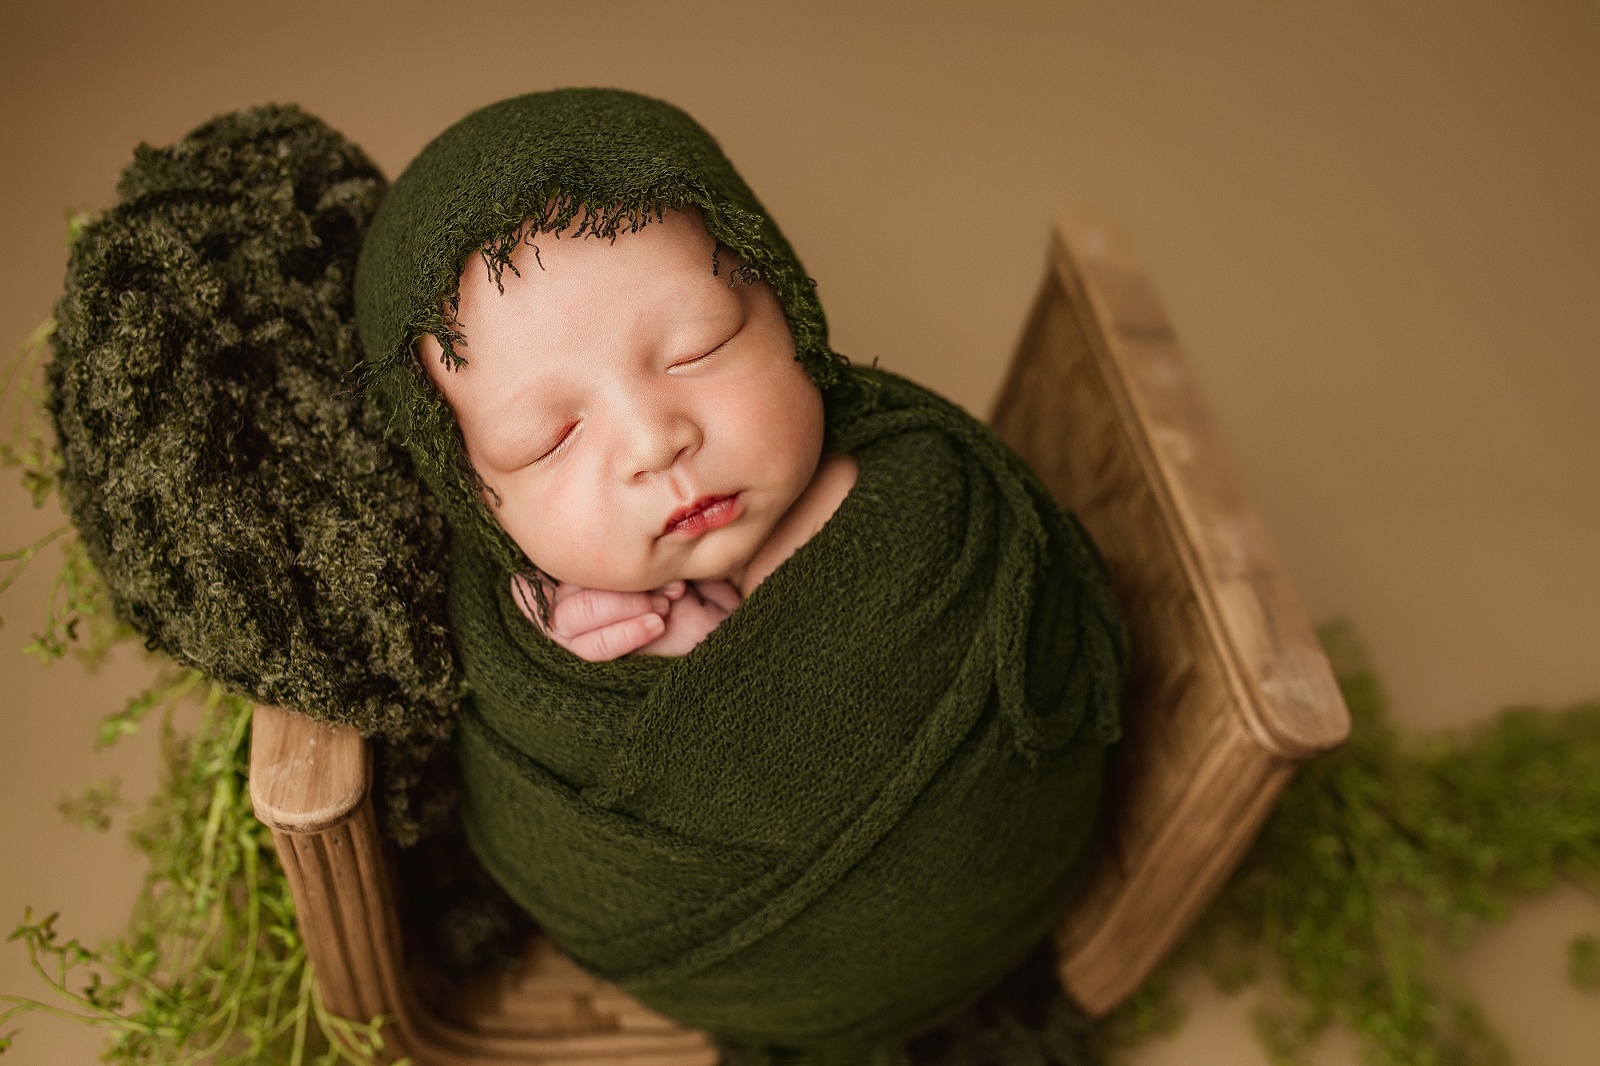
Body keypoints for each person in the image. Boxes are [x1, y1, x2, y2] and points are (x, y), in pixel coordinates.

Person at [417, 206, 859, 661]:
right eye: (552, 440)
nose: (655, 445)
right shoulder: (506, 635)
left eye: (698, 349)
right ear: (477, 502)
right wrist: (615, 665)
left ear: (788, 312)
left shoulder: (898, 496)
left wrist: (729, 666)